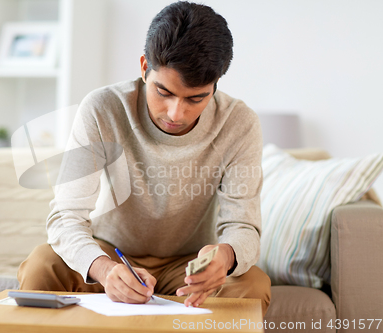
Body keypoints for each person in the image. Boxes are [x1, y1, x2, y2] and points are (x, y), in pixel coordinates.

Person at [17, 1, 271, 316]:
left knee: (253, 286)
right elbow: (66, 216)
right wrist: (104, 269)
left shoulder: (239, 122)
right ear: (143, 67)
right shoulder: (102, 108)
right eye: (163, 92)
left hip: (188, 269)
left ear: (216, 85)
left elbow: (244, 226)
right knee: (43, 265)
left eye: (196, 98)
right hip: (111, 256)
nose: (176, 114)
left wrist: (226, 257)